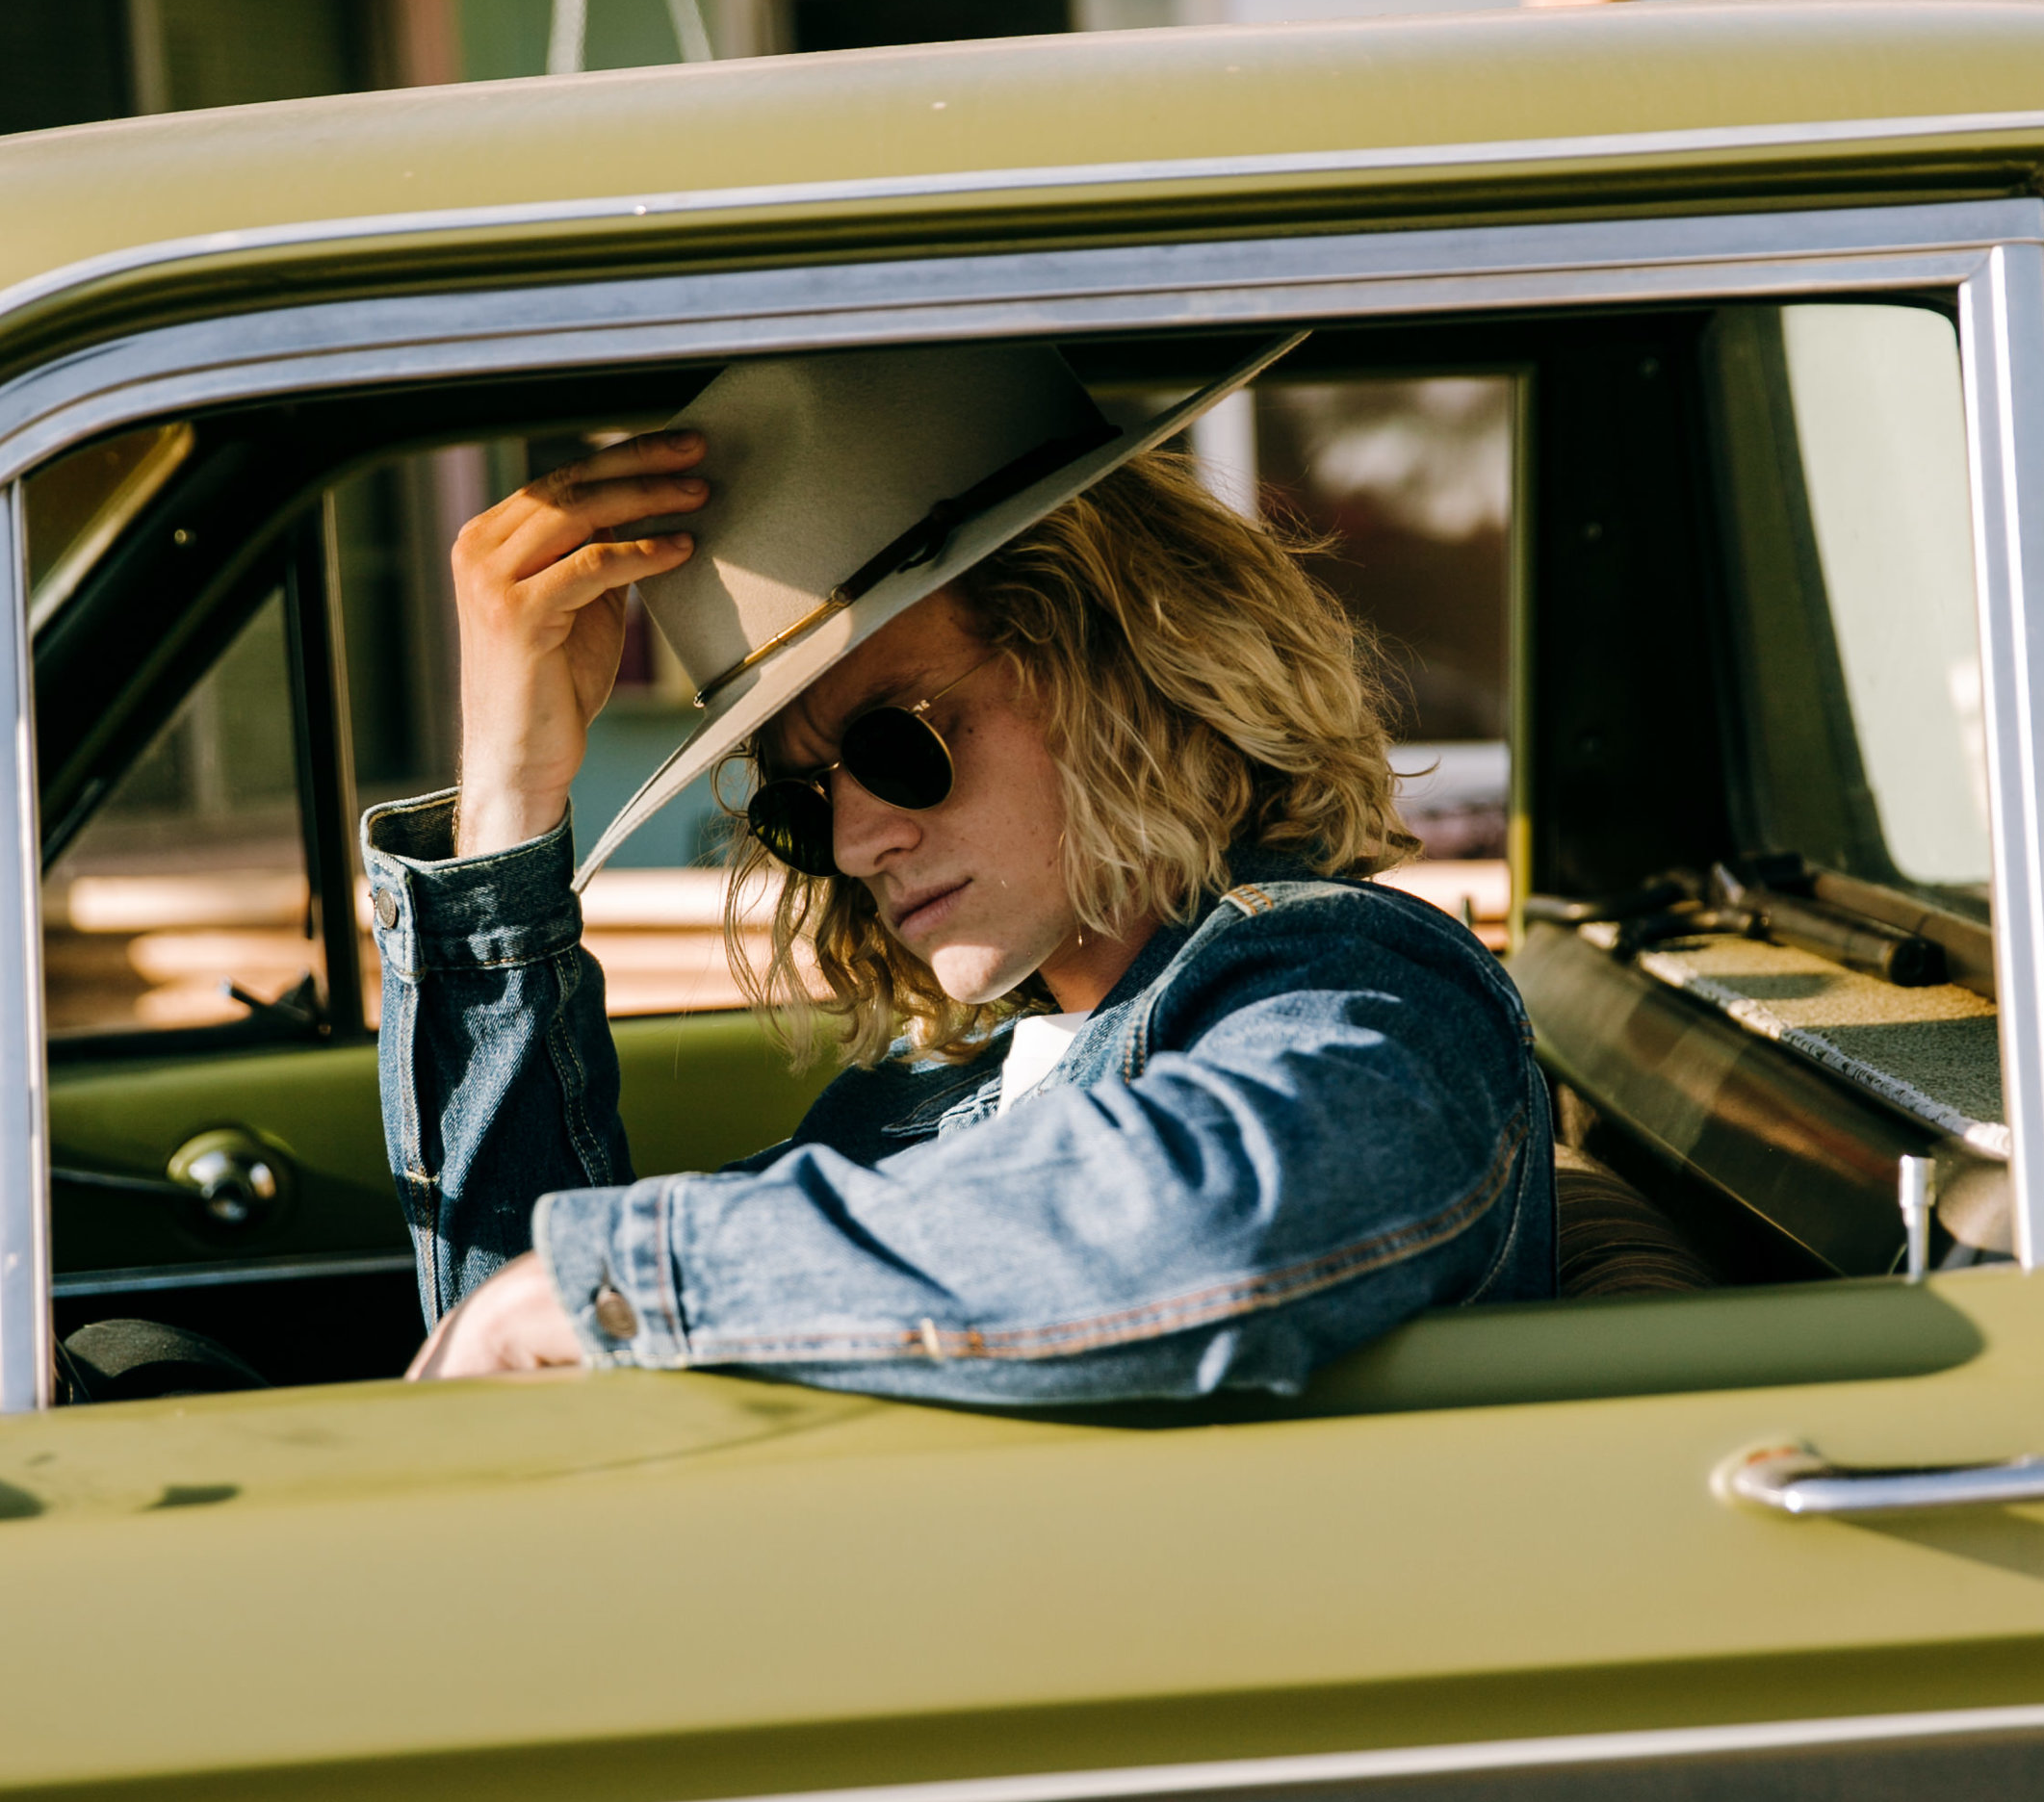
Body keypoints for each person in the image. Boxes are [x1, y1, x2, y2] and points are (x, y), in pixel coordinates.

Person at [372, 339, 1555, 1403]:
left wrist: (621, 1277)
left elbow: (1219, 1223)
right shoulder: (925, 1098)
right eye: (799, 803)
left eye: (899, 743)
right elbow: (508, 1355)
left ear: (1121, 657)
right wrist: (504, 804)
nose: (850, 843)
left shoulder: (1345, 972)